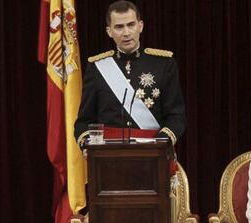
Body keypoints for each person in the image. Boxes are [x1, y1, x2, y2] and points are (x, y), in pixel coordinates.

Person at [74, 0, 186, 148]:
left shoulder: (163, 64)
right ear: (109, 31)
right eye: (119, 27)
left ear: (140, 26)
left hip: (153, 156)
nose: (126, 33)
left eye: (131, 25)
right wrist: (88, 146)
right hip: (108, 158)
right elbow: (84, 122)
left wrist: (161, 143)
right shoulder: (96, 68)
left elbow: (176, 116)